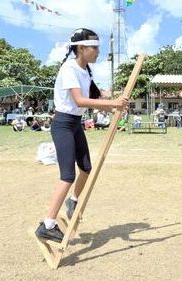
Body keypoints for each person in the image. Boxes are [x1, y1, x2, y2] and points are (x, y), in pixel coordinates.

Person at [34, 28, 128, 243]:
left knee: (86, 167)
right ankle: (47, 225)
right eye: (94, 48)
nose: (97, 52)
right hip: (63, 125)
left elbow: (96, 95)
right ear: (81, 48)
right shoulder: (69, 68)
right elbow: (79, 100)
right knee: (67, 176)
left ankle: (73, 201)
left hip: (75, 124)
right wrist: (113, 103)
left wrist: (117, 100)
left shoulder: (86, 70)